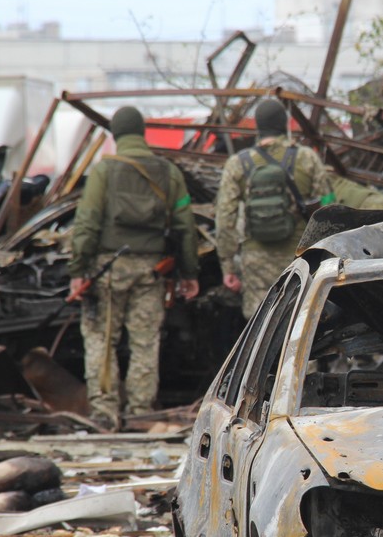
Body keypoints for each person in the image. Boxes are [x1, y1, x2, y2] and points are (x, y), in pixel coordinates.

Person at [69, 106, 200, 429]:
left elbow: (87, 223)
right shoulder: (168, 172)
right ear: (142, 133)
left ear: (115, 135)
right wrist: (189, 274)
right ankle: (141, 413)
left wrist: (78, 270)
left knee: (102, 340)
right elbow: (185, 226)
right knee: (145, 342)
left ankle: (105, 414)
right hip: (152, 270)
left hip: (108, 269)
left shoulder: (104, 171)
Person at [214, 97, 335, 319]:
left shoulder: (237, 164)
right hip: (300, 259)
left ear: (258, 127)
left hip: (256, 260)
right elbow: (330, 207)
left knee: (260, 322)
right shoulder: (306, 158)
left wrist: (227, 267)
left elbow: (224, 219)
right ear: (285, 124)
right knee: (302, 320)